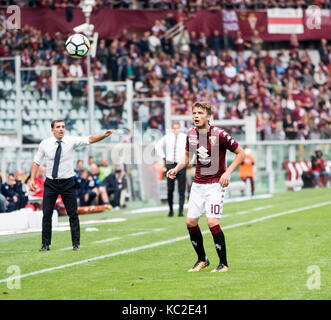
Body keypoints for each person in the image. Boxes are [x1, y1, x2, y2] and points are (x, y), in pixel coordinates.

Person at [167, 101, 245, 273]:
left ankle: (223, 264)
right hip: (198, 184)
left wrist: (228, 172)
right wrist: (176, 169)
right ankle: (202, 260)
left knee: (212, 222)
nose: (196, 116)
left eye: (200, 113)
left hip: (215, 185)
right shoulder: (191, 134)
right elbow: (187, 158)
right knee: (190, 222)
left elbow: (241, 153)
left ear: (209, 116)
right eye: (194, 113)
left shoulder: (220, 134)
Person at [28, 119, 114, 252]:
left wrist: (103, 136)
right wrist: (32, 179)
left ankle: (76, 243)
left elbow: (89, 139)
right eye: (58, 127)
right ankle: (45, 245)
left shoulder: (71, 141)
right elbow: (36, 162)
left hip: (68, 182)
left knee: (73, 213)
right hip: (51, 183)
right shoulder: (45, 143)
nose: (61, 129)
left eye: (63, 126)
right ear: (52, 130)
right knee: (47, 214)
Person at [155, 122, 188, 217]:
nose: (176, 130)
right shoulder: (167, 137)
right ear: (172, 129)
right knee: (170, 188)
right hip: (170, 163)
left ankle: (181, 211)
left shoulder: (184, 137)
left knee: (181, 189)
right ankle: (171, 210)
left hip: (181, 164)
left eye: (177, 128)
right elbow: (158, 145)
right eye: (174, 128)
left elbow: (192, 148)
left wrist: (189, 160)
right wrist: (163, 157)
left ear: (180, 129)